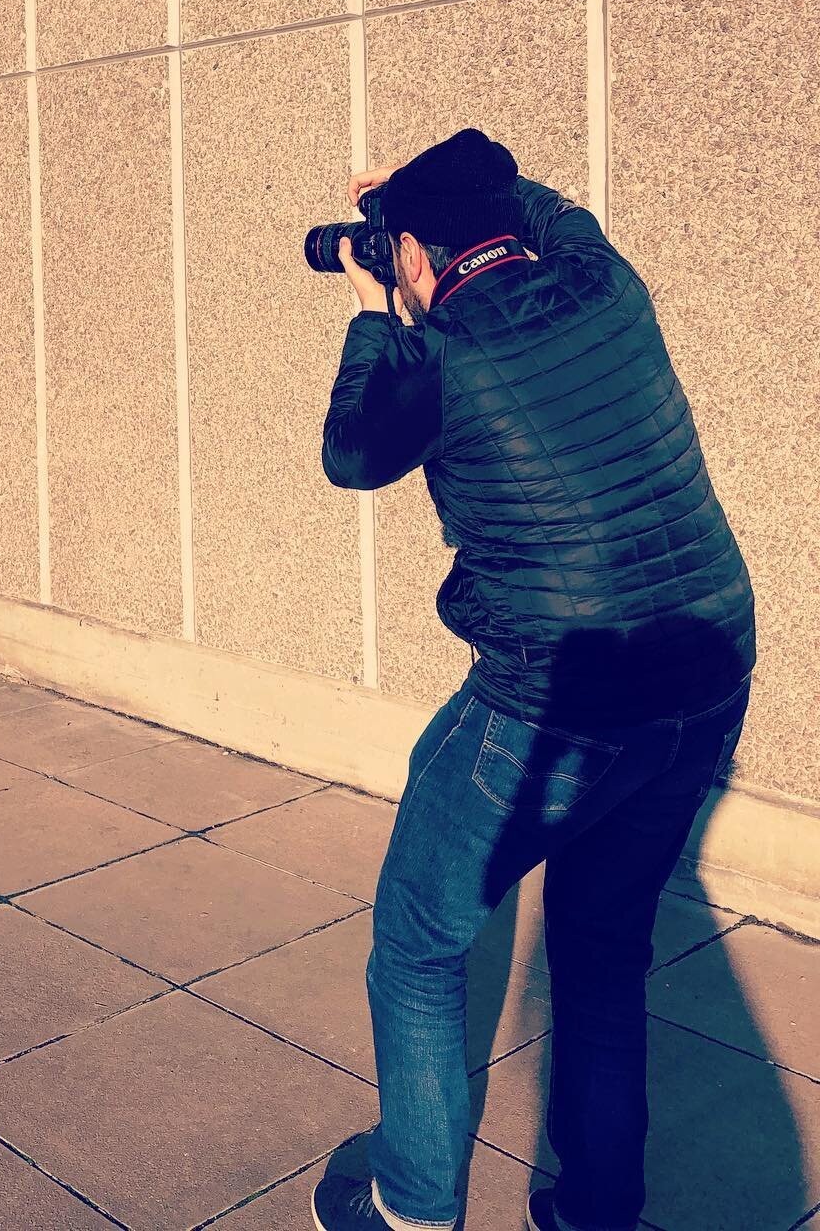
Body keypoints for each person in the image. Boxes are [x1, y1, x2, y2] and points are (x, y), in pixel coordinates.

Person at [309, 130, 755, 1231]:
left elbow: (352, 453)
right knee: (603, 953)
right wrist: (417, 204)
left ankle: (411, 1198)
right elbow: (545, 214)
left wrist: (371, 310)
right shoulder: (604, 283)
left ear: (412, 254)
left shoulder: (430, 359)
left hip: (560, 698)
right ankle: (600, 1210)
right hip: (708, 667)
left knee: (417, 941)